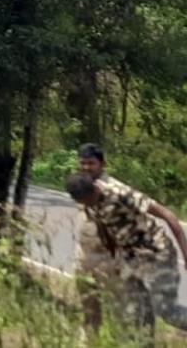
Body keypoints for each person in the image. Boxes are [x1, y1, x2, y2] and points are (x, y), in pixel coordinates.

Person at [66, 172, 187, 336]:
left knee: (166, 311)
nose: (89, 204)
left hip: (158, 253)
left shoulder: (120, 194)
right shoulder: (88, 203)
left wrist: (185, 254)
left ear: (94, 188)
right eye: (84, 202)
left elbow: (168, 216)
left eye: (90, 199)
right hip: (132, 258)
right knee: (139, 310)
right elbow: (104, 230)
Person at [75, 143, 123, 333]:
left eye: (91, 163)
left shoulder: (115, 189)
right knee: (89, 315)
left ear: (102, 164)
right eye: (83, 163)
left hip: (111, 264)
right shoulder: (81, 187)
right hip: (84, 262)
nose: (86, 167)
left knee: (119, 317)